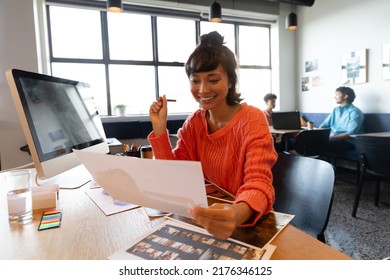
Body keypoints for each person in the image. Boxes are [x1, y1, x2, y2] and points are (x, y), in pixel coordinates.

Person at [148, 31, 277, 240]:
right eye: (195, 80)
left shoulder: (253, 119)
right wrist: (160, 128)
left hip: (244, 220)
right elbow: (174, 175)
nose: (203, 89)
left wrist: (236, 214)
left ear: (230, 81)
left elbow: (260, 183)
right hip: (206, 216)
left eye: (213, 79)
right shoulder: (195, 122)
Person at [319, 86, 364, 153]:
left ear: (345, 96)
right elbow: (323, 125)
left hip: (348, 141)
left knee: (322, 144)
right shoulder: (335, 110)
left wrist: (328, 138)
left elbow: (350, 134)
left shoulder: (355, 112)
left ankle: (324, 162)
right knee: (312, 140)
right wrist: (318, 135)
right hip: (333, 139)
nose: (335, 97)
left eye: (337, 94)